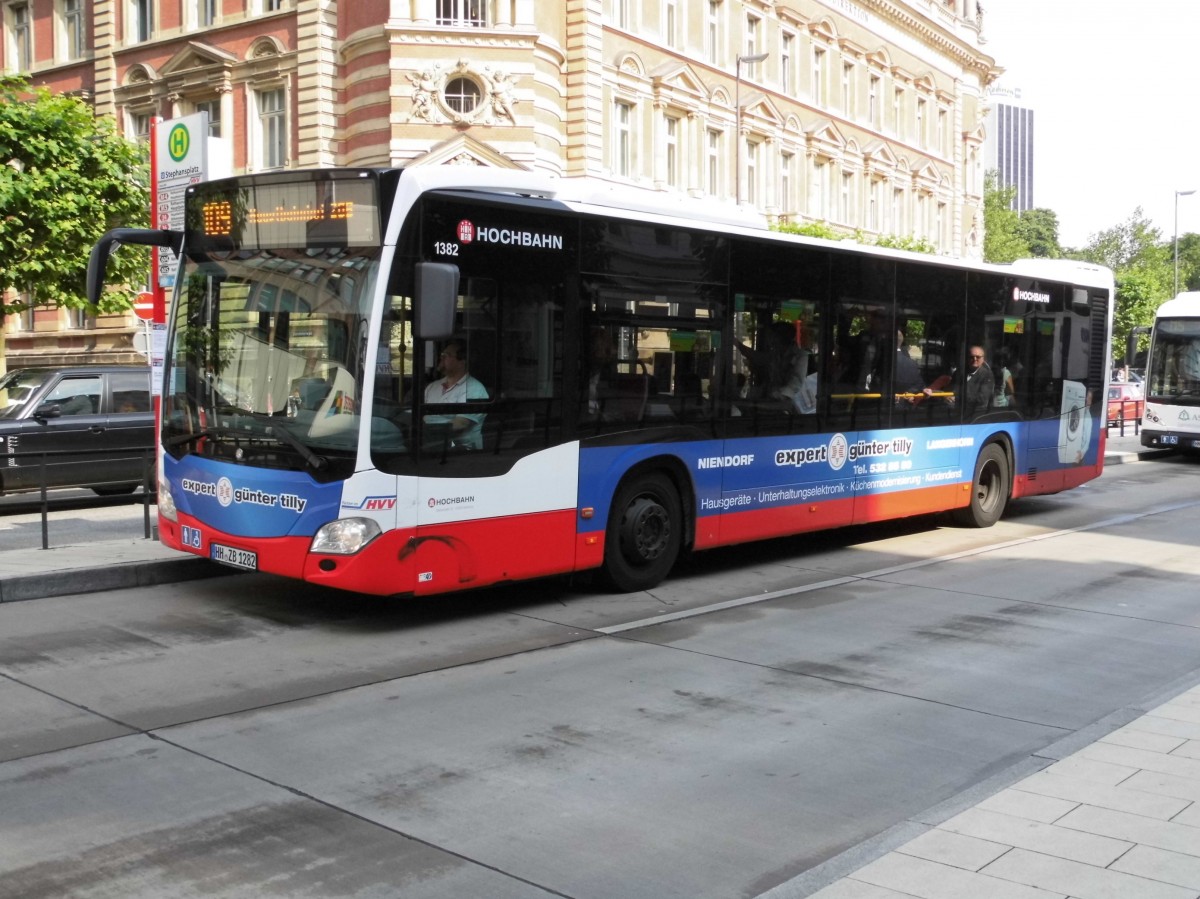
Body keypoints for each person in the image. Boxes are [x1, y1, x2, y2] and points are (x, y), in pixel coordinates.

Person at [424, 338, 489, 449]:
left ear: (462, 362)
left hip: (461, 453)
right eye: (442, 354)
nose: (442, 357)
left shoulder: (475, 390)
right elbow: (424, 416)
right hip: (431, 445)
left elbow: (460, 424)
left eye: (447, 355)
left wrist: (425, 430)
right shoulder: (432, 387)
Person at [959, 344, 994, 419]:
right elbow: (953, 387)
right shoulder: (960, 372)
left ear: (983, 359)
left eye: (978, 357)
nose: (974, 359)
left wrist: (959, 396)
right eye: (971, 357)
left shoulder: (987, 375)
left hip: (976, 415)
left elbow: (982, 398)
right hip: (958, 412)